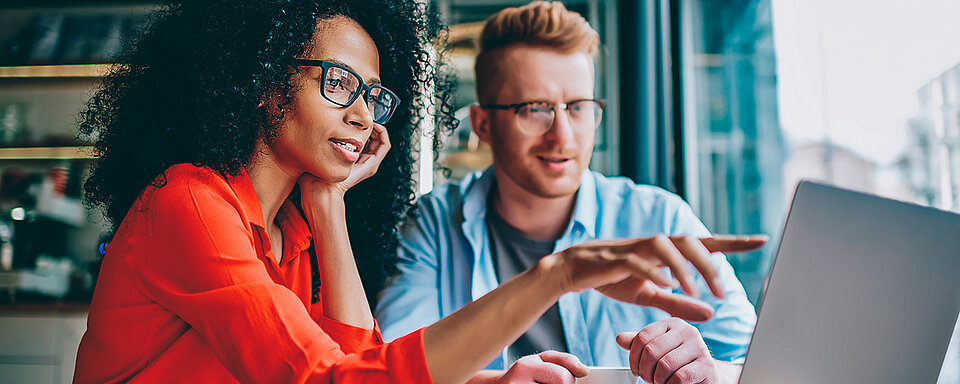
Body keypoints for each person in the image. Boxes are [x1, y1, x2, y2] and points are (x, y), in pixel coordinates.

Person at [73, 1, 763, 383]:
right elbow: (337, 383)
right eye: (339, 83)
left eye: (374, 95)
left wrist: (329, 203)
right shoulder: (190, 203)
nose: (365, 116)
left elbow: (355, 361)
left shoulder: (294, 230)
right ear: (260, 79)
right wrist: (557, 276)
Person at [375, 2, 763, 383]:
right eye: (534, 109)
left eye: (578, 107)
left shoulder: (660, 219)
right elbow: (390, 370)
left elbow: (761, 364)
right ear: (483, 124)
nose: (562, 135)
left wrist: (712, 370)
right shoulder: (435, 224)